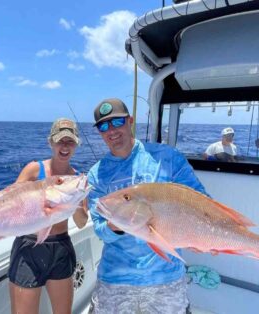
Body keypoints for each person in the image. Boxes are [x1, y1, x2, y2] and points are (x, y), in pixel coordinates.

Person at [0, 118, 88, 314]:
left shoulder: (77, 179)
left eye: (70, 141)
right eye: (60, 141)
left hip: (60, 249)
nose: (65, 146)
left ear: (76, 144)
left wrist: (75, 201)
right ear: (50, 142)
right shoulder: (34, 169)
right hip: (27, 248)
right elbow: (8, 197)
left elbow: (82, 223)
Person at [87, 98, 208, 313]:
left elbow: (200, 200)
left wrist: (196, 234)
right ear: (100, 132)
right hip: (115, 278)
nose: (111, 130)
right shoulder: (97, 174)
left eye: (117, 122)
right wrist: (115, 225)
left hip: (166, 277)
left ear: (130, 121)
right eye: (104, 126)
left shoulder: (166, 157)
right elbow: (99, 229)